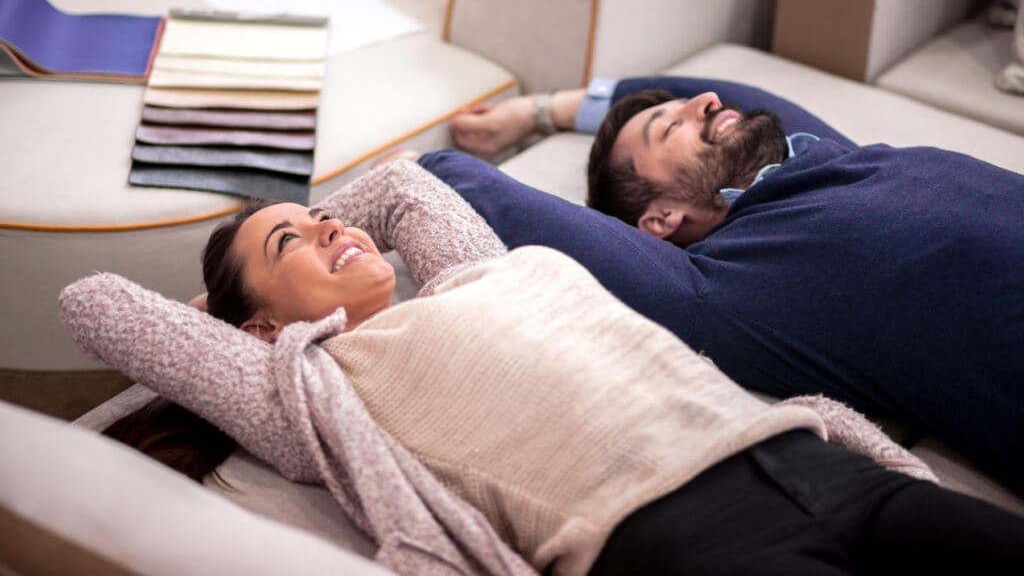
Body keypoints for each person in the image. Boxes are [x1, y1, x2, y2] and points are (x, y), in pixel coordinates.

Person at [60, 159, 1024, 575]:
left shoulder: (479, 269)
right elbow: (95, 300)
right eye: (292, 245)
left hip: (820, 465)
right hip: (679, 539)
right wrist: (229, 320)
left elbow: (400, 186)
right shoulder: (312, 386)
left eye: (324, 218)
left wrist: (298, 245)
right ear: (261, 327)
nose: (331, 226)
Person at [421, 75, 1024, 496]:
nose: (707, 102)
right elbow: (456, 176)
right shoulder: (730, 284)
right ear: (659, 221)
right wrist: (440, 153)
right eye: (670, 127)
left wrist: (541, 110)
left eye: (688, 104)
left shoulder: (828, 157)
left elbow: (733, 93)